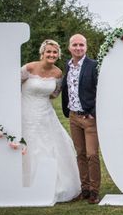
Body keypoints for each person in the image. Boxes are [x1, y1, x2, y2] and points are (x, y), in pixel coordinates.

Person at [21, 39, 81, 202]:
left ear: (58, 55)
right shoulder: (29, 68)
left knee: (51, 145)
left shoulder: (58, 73)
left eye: (55, 52)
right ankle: (26, 184)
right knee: (30, 146)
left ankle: (55, 185)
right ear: (42, 53)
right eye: (48, 51)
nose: (51, 55)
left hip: (45, 113)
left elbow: (55, 94)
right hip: (26, 113)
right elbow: (12, 85)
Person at [61, 34, 101, 204]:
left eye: (81, 45)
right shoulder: (68, 66)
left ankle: (94, 191)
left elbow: (101, 89)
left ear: (86, 47)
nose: (78, 48)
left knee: (92, 154)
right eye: (75, 45)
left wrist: (92, 111)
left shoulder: (93, 66)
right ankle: (84, 189)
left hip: (89, 117)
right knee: (80, 154)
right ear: (69, 47)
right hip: (73, 117)